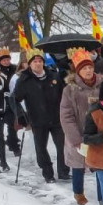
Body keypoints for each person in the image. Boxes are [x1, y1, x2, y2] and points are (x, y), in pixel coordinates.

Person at [14, 48, 70, 183]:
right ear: (29, 64)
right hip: (37, 119)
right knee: (41, 148)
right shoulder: (24, 79)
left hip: (56, 117)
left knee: (62, 145)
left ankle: (63, 171)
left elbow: (64, 94)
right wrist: (21, 115)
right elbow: (15, 99)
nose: (37, 64)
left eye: (40, 61)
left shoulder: (53, 75)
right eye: (34, 62)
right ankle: (48, 173)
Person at [60, 49, 103, 205]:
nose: (88, 71)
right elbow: (66, 116)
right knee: (78, 165)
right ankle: (78, 192)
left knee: (100, 165)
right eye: (84, 68)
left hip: (99, 133)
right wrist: (76, 139)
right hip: (79, 133)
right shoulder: (70, 90)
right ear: (78, 71)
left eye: (90, 67)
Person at [0, 48, 21, 156]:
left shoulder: (14, 69)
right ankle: (10, 142)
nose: (6, 62)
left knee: (13, 123)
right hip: (2, 100)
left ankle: (13, 143)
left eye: (7, 59)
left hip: (14, 98)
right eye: (3, 60)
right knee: (8, 122)